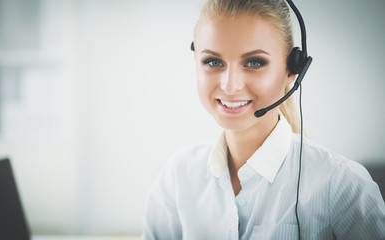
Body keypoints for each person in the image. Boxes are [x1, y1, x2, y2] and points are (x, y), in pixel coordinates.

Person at [142, 0, 385, 239]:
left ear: (292, 69)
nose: (230, 86)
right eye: (213, 61)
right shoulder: (179, 175)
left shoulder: (341, 184)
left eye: (254, 62)